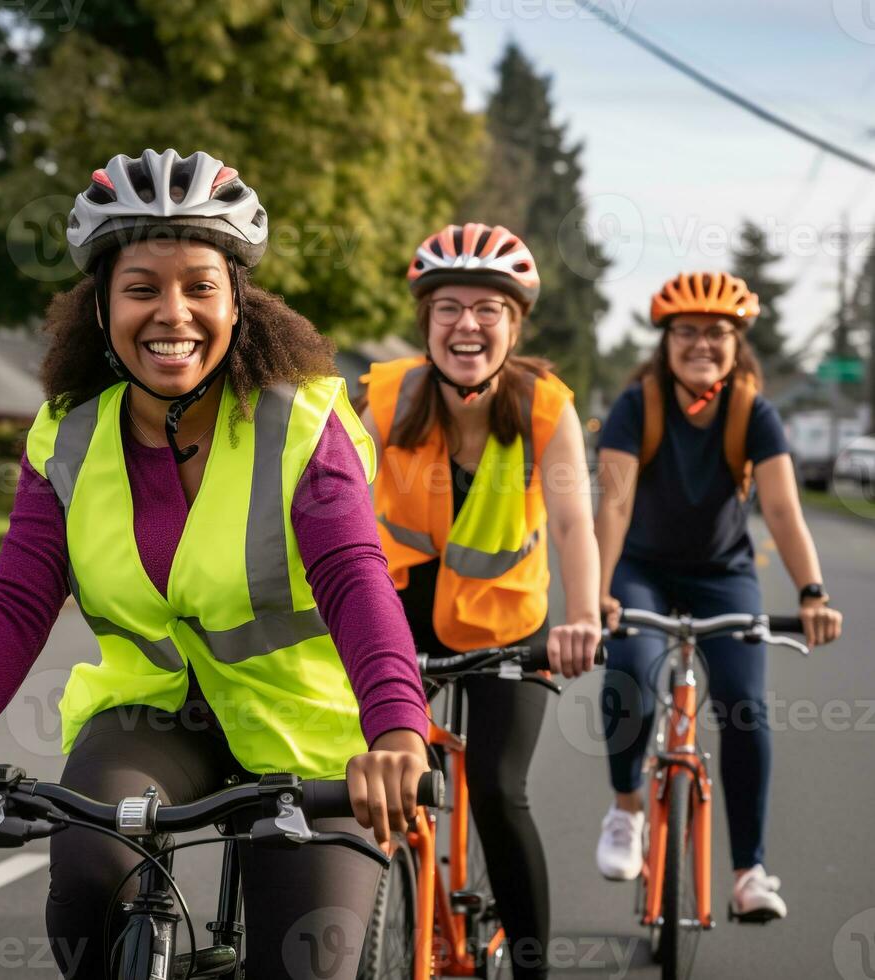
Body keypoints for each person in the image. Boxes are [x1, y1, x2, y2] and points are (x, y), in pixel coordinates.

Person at [0, 148, 432, 979]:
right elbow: (15, 603)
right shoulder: (68, 436)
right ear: (103, 306)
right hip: (154, 718)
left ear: (238, 303)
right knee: (90, 874)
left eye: (199, 286)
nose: (172, 314)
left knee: (306, 960)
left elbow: (354, 576)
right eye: (142, 288)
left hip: (305, 727)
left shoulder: (299, 425)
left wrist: (398, 734)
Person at [358, 222, 602, 979]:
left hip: (509, 632)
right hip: (399, 623)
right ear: (426, 322)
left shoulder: (542, 406)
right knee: (370, 783)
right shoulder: (390, 395)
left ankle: (529, 969)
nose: (467, 324)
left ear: (513, 324)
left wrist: (583, 616)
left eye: (487, 309)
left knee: (496, 790)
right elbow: (338, 501)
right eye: (448, 308)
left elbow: (571, 522)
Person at [594, 271, 842, 920]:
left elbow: (783, 511)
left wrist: (811, 592)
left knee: (743, 707)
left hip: (721, 574)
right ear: (664, 341)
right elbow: (613, 503)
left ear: (736, 345)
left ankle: (748, 872)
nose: (700, 344)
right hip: (641, 568)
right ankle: (625, 809)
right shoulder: (636, 405)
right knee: (627, 672)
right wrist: (596, 592)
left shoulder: (751, 411)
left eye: (717, 333)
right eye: (686, 332)